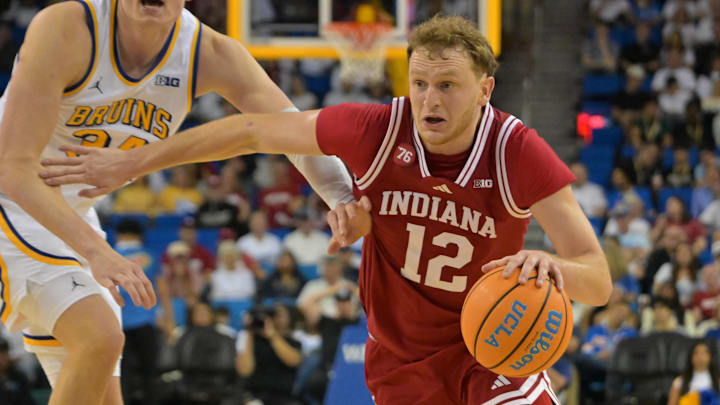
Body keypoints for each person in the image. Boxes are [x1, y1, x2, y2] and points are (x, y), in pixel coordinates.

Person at [39, 15, 613, 404]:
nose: (430, 100)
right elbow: (250, 130)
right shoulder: (377, 129)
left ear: (485, 90)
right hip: (400, 363)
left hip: (492, 352)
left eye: (448, 85)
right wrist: (130, 164)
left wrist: (555, 269)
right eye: (420, 83)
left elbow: (598, 279)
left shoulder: (516, 151)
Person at [0, 0, 355, 402]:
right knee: (99, 337)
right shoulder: (68, 27)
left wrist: (344, 198)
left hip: (71, 214)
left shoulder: (209, 52)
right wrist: (97, 250)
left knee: (102, 387)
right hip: (14, 201)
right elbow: (13, 169)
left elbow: (292, 131)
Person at [114, 219, 171, 404]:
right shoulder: (150, 256)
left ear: (119, 234)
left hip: (119, 322)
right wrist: (169, 320)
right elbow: (163, 290)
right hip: (147, 320)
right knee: (150, 372)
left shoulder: (112, 256)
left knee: (122, 375)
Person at [668, 340, 720, 405]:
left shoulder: (718, 382)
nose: (700, 357)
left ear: (710, 357)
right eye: (696, 353)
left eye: (704, 353)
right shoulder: (679, 382)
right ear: (691, 357)